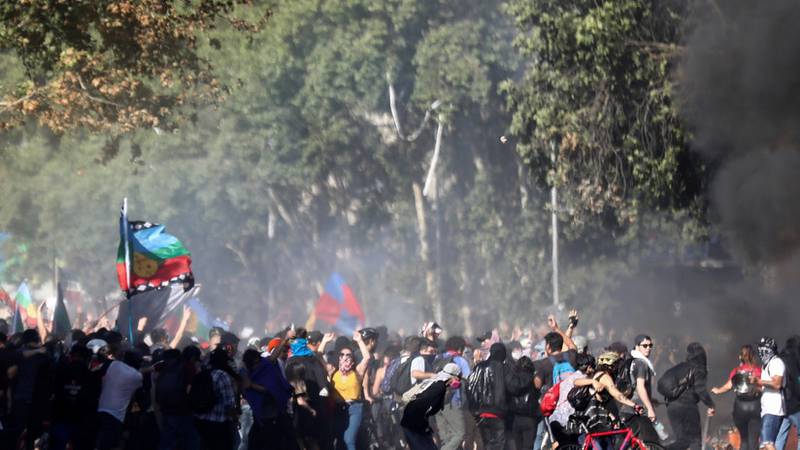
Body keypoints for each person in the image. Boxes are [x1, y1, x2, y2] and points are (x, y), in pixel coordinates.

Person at [665, 342, 715, 450]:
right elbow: (700, 389)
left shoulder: (680, 367)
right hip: (687, 407)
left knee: (682, 441)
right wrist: (710, 404)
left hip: (672, 407)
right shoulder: (699, 369)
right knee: (695, 441)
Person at [711, 344, 762, 450]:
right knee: (753, 439)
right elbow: (763, 387)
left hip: (740, 407)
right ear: (753, 356)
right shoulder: (758, 370)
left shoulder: (737, 370)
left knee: (744, 439)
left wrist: (718, 390)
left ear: (740, 356)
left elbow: (729, 386)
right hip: (755, 406)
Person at [401, 363, 462, 450]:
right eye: (458, 378)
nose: (458, 381)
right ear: (453, 377)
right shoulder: (440, 387)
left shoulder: (433, 380)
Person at [465, 342, 512, 450]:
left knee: (486, 444)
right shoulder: (503, 368)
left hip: (481, 413)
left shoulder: (479, 367)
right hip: (498, 412)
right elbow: (512, 387)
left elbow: (470, 386)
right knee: (498, 445)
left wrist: (473, 407)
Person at [96, 349, 145, 450]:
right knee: (110, 443)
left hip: (101, 408)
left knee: (102, 441)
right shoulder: (137, 376)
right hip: (116, 414)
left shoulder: (114, 365)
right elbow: (139, 394)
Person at [330, 332, 371, 450]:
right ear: (338, 357)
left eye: (348, 355)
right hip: (338, 409)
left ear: (353, 358)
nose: (345, 357)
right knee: (339, 439)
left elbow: (367, 358)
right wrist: (324, 342)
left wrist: (359, 340)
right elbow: (318, 356)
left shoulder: (357, 372)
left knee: (349, 439)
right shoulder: (333, 372)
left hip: (354, 408)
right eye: (342, 354)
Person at [195, 348, 239, 450]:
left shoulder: (203, 373)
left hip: (200, 421)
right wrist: (235, 419)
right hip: (218, 423)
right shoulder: (222, 375)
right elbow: (229, 404)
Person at [434, 336, 472, 450]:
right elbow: (469, 380)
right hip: (453, 401)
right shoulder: (460, 361)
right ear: (460, 349)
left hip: (436, 401)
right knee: (460, 434)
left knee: (446, 438)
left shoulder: (438, 358)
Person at [621, 335, 660, 442]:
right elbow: (640, 387)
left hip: (628, 407)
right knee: (652, 441)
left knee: (629, 442)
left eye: (650, 345)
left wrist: (650, 400)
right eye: (645, 345)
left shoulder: (631, 361)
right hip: (639, 409)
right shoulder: (642, 363)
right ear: (637, 346)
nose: (648, 348)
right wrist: (650, 409)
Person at [752, 337, 785, 450]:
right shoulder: (766, 365)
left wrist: (758, 381)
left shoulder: (776, 362)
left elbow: (777, 384)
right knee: (763, 446)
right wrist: (755, 387)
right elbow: (768, 386)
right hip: (767, 410)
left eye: (763, 348)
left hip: (773, 410)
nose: (760, 351)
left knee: (768, 444)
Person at [776, 335, 800, 450]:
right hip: (793, 403)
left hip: (779, 404)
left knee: (781, 435)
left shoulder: (779, 358)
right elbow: (796, 382)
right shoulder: (794, 359)